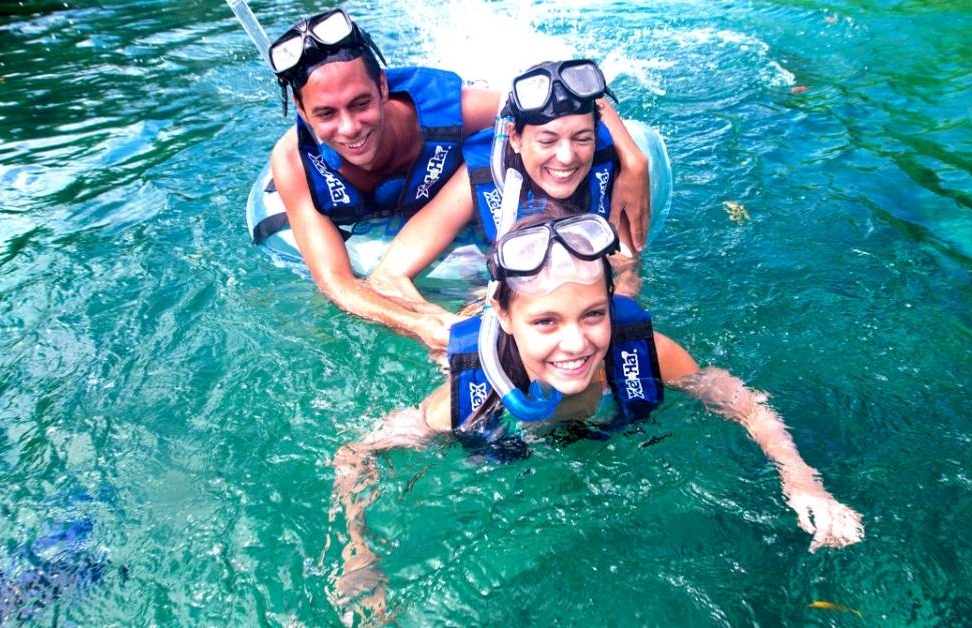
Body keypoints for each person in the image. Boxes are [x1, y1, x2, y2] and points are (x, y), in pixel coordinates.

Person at [329, 209, 864, 621]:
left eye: (593, 314)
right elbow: (356, 454)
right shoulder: (470, 398)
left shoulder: (643, 353)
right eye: (546, 321)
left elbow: (738, 397)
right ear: (507, 318)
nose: (576, 342)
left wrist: (802, 480)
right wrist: (360, 555)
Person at [261, 10, 652, 351]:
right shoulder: (295, 162)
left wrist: (633, 160)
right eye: (326, 113)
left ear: (382, 86)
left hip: (440, 200)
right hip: (403, 220)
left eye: (361, 104)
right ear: (300, 109)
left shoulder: (453, 112)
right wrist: (420, 322)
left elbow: (557, 98)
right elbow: (337, 282)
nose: (349, 127)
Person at [368, 59, 653, 330]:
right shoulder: (482, 177)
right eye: (547, 140)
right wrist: (440, 322)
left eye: (582, 138)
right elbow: (387, 276)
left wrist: (615, 308)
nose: (566, 157)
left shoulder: (610, 162)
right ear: (515, 138)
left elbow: (625, 265)